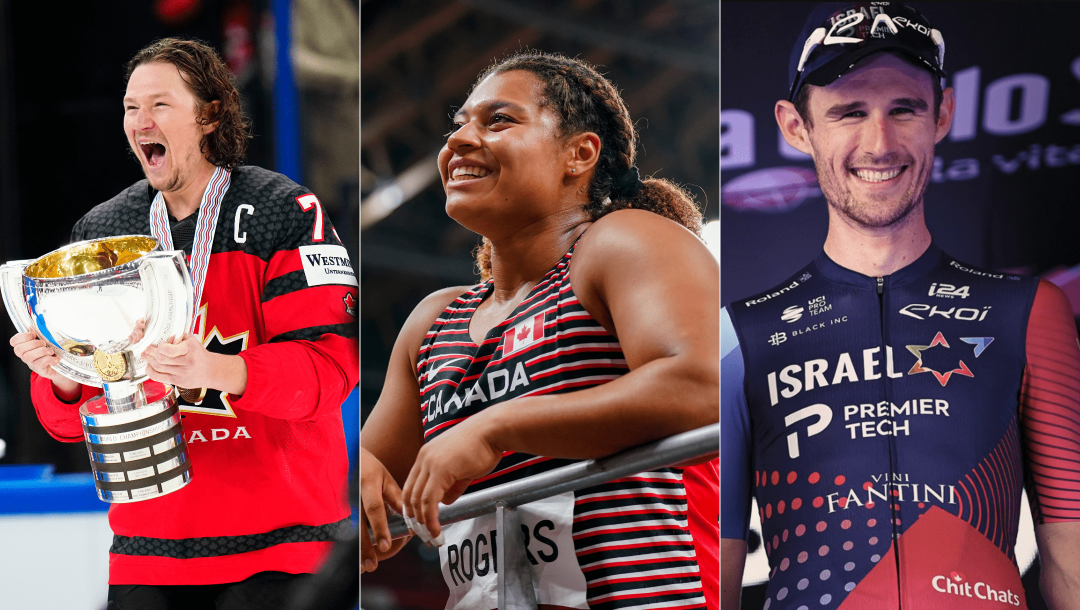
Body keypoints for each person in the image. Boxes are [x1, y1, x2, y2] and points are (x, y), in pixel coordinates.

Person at [720, 3, 1080, 609]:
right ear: (795, 127)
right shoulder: (739, 336)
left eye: (904, 109)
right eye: (850, 112)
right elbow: (716, 578)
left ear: (943, 114)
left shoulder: (1028, 312)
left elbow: (1072, 563)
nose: (879, 143)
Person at [360, 51, 720, 610]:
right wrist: (350, 480)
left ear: (579, 154)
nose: (458, 141)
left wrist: (495, 428)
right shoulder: (435, 321)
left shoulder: (620, 244)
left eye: (498, 120)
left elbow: (702, 388)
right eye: (458, 125)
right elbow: (373, 491)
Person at [8, 38, 358, 609]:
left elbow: (329, 373)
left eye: (160, 105)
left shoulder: (284, 212)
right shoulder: (103, 232)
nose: (140, 121)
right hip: (148, 553)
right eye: (129, 108)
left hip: (284, 551)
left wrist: (213, 368)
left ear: (210, 113)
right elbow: (69, 423)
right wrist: (62, 375)